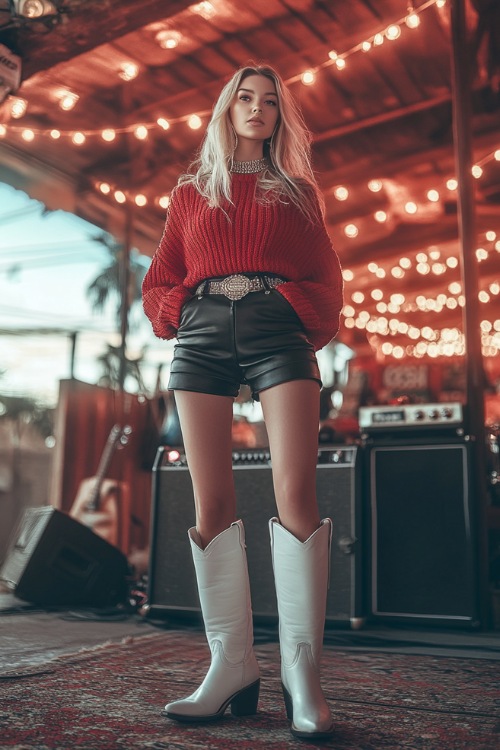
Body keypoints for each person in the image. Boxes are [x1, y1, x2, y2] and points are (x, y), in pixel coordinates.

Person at [142, 64, 343, 741]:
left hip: (275, 330)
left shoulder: (298, 193)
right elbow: (158, 280)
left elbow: (327, 281)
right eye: (245, 99)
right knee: (211, 503)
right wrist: (179, 311)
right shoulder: (190, 193)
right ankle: (229, 664)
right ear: (227, 109)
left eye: (269, 102)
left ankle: (300, 671)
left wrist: (286, 306)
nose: (257, 109)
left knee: (296, 494)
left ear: (280, 115)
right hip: (200, 336)